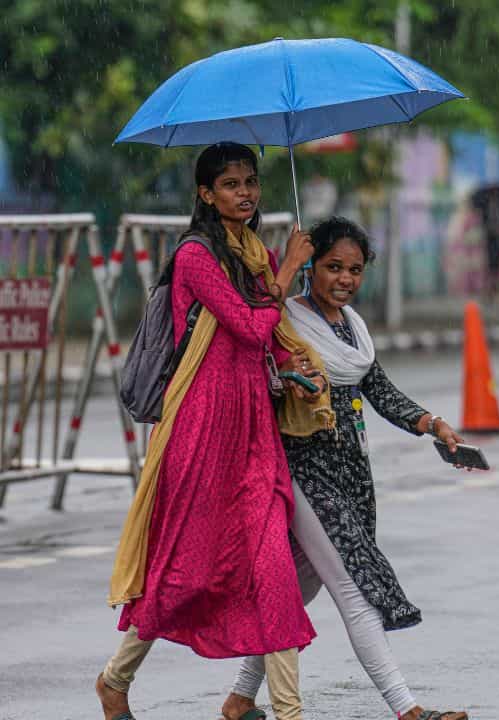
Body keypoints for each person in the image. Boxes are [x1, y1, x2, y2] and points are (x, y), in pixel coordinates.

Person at [96, 141, 331, 720]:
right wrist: (288, 271)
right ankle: (114, 679)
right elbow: (249, 327)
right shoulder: (197, 257)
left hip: (253, 428)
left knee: (273, 566)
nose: (245, 193)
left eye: (250, 181)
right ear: (205, 193)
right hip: (199, 430)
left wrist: (295, 359)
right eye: (231, 184)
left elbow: (266, 336)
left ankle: (289, 711)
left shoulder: (251, 250)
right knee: (184, 573)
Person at [220, 216, 469, 720]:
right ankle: (408, 709)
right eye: (334, 266)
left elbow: (379, 391)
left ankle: (240, 698)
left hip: (351, 475)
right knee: (355, 589)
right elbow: (257, 378)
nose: (346, 279)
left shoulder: (353, 329)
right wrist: (285, 379)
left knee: (299, 586)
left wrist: (434, 425)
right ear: (311, 265)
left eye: (355, 269)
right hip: (306, 473)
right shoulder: (285, 320)